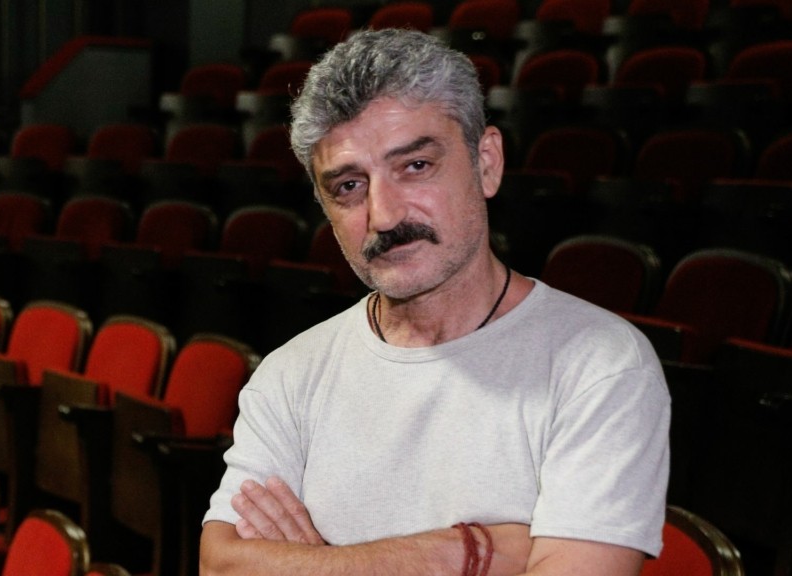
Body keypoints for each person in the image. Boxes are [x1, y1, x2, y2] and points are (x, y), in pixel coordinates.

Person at [200, 28, 670, 575]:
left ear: (486, 162)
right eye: (349, 186)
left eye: (416, 166)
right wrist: (461, 551)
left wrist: (313, 565)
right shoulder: (290, 374)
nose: (384, 216)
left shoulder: (600, 365)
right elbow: (221, 566)